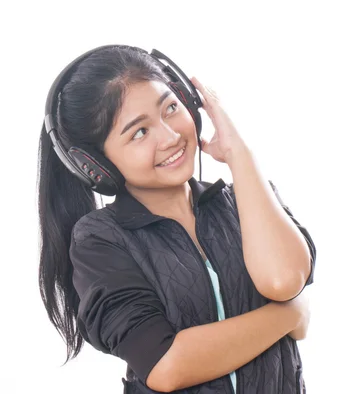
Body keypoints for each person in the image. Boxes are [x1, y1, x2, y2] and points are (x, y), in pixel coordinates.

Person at [37, 44, 316, 394]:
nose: (170, 137)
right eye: (139, 132)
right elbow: (166, 365)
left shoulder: (246, 198)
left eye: (171, 107)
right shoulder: (100, 239)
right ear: (96, 165)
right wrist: (288, 315)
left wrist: (239, 154)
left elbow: (282, 281)